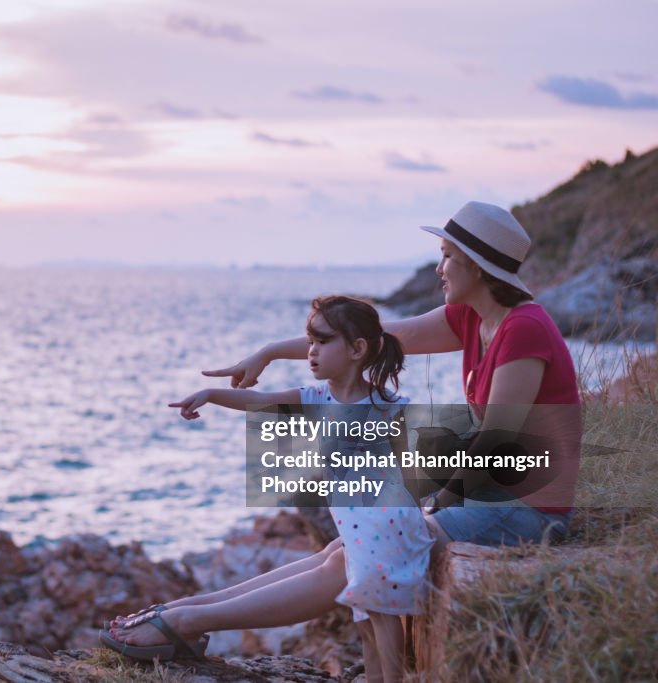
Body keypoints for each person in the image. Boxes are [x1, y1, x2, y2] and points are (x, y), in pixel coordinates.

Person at [104, 201, 580, 677]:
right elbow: (368, 337)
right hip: (492, 499)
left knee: (358, 555)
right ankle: (181, 611)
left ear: (476, 266)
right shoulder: (471, 317)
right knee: (344, 549)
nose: (439, 268)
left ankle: (185, 621)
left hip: (526, 512)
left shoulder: (523, 330)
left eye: (447, 256)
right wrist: (269, 352)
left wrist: (425, 503)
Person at [103, 296, 432, 683]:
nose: (311, 352)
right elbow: (258, 400)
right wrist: (211, 395)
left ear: (358, 349)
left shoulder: (387, 406)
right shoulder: (317, 398)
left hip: (386, 533)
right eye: (310, 341)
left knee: (383, 622)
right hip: (357, 534)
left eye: (322, 342)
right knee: (365, 624)